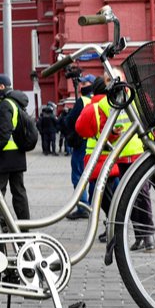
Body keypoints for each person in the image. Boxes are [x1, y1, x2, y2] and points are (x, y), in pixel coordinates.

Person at [75, 75, 155, 251]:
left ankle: (147, 236)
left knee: (140, 196)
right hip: (121, 155)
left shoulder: (132, 96)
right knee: (132, 197)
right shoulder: (108, 102)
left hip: (137, 152)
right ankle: (140, 236)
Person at [0, 74, 31, 221]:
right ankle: (24, 224)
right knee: (19, 191)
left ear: (1, 86)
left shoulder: (5, 104)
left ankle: (0, 224)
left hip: (4, 155)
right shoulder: (14, 103)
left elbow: (3, 135)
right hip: (17, 154)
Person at [62, 75, 95, 220]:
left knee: (78, 175)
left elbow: (70, 120)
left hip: (81, 142)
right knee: (93, 175)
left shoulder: (83, 100)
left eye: (85, 83)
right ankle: (92, 205)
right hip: (95, 142)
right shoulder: (97, 100)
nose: (81, 85)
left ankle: (83, 207)